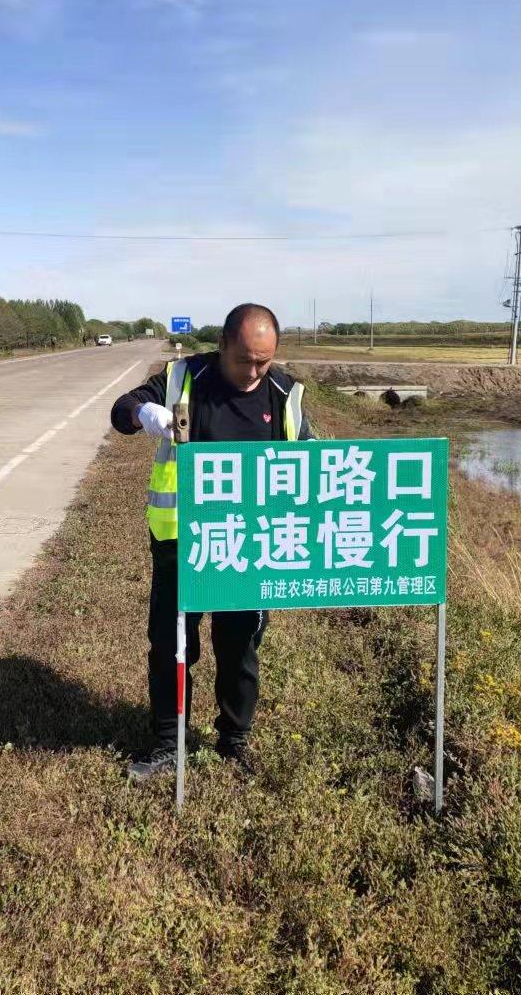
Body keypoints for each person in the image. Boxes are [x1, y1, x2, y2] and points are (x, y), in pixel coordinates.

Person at [109, 303, 313, 781]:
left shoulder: (284, 393)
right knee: (171, 643)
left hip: (249, 543)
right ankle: (167, 743)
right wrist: (143, 412)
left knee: (239, 645)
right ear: (223, 345)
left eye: (265, 361)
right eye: (245, 359)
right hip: (182, 540)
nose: (254, 372)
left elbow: (309, 460)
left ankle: (233, 741)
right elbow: (120, 411)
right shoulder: (183, 377)